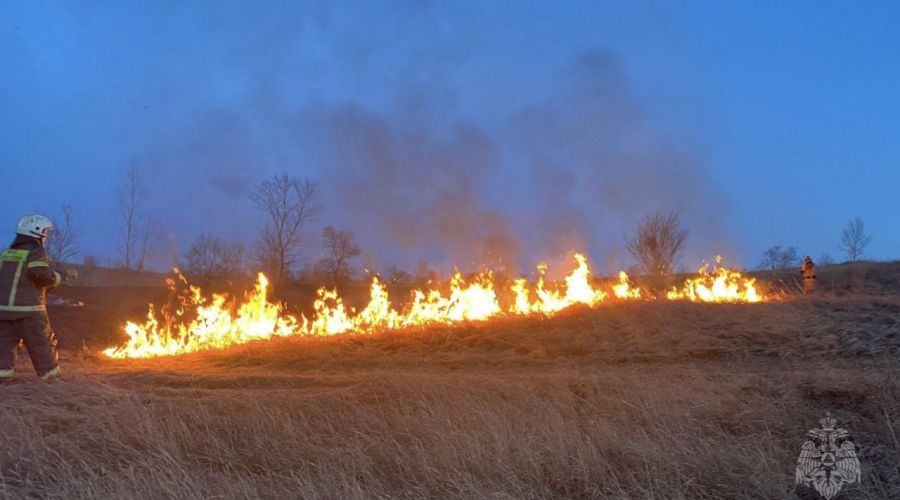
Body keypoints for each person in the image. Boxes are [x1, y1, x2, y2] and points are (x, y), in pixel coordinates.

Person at [0, 215, 77, 381]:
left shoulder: (6, 254)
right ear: (36, 232)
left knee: (4, 347)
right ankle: (52, 380)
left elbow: (19, 280)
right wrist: (61, 276)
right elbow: (40, 276)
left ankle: (3, 379)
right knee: (41, 345)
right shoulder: (36, 251)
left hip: (4, 312)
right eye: (45, 232)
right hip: (30, 311)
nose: (46, 236)